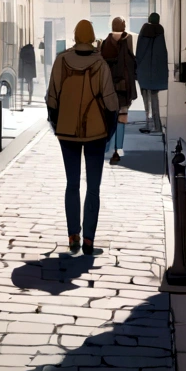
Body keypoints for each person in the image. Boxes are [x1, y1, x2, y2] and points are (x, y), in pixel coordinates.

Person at [46, 18, 118, 257]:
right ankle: (89, 241)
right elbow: (110, 102)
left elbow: (51, 98)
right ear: (92, 36)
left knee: (72, 184)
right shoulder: (101, 65)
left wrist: (57, 122)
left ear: (75, 36)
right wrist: (111, 127)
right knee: (93, 187)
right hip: (96, 132)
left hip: (67, 132)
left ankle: (72, 237)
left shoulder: (61, 61)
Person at [100, 16, 137, 164]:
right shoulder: (128, 42)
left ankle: (105, 147)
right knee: (122, 118)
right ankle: (117, 150)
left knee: (108, 118)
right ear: (123, 26)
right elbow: (132, 65)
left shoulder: (105, 44)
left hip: (108, 88)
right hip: (124, 88)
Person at [136, 11, 168, 134]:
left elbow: (139, 50)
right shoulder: (160, 31)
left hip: (144, 69)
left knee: (145, 98)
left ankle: (147, 123)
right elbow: (162, 52)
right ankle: (157, 125)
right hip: (156, 70)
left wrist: (137, 65)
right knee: (155, 98)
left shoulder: (144, 30)